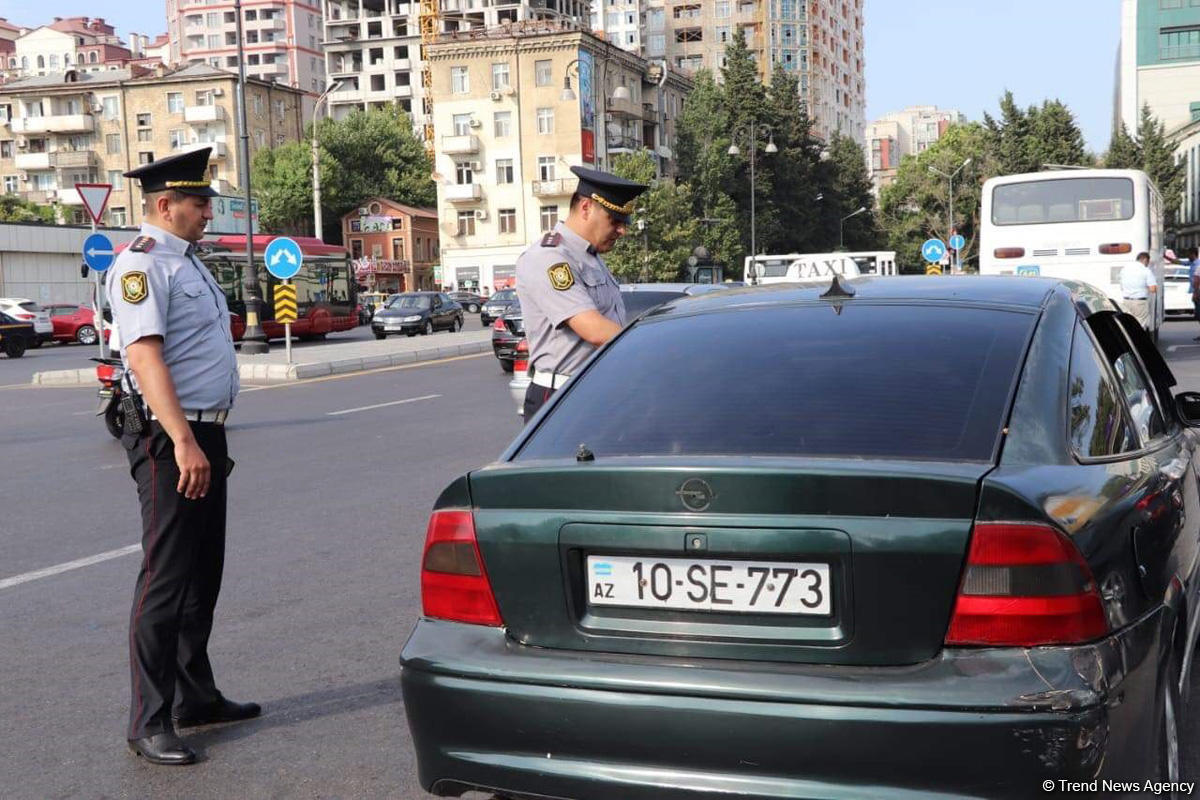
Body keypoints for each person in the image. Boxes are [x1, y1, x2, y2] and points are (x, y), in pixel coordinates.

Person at [107, 148, 258, 767]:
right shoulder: (141, 265)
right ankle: (149, 719)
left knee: (203, 573)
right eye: (199, 203)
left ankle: (196, 696)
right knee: (166, 577)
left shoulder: (188, 262)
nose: (208, 213)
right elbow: (144, 358)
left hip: (205, 431)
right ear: (165, 204)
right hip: (171, 436)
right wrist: (184, 441)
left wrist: (203, 439)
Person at [515, 166, 649, 420]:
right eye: (614, 220)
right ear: (586, 208)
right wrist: (656, 346)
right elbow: (595, 331)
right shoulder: (550, 257)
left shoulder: (590, 256)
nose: (622, 230)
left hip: (592, 391)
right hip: (561, 398)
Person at [1118, 251, 1157, 331]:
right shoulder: (1146, 270)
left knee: (1128, 325)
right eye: (1148, 262)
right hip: (1140, 302)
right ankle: (1138, 339)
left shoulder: (1125, 269)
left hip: (1126, 301)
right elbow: (1153, 289)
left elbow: (1121, 286)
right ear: (1145, 260)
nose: (1147, 264)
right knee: (1140, 325)